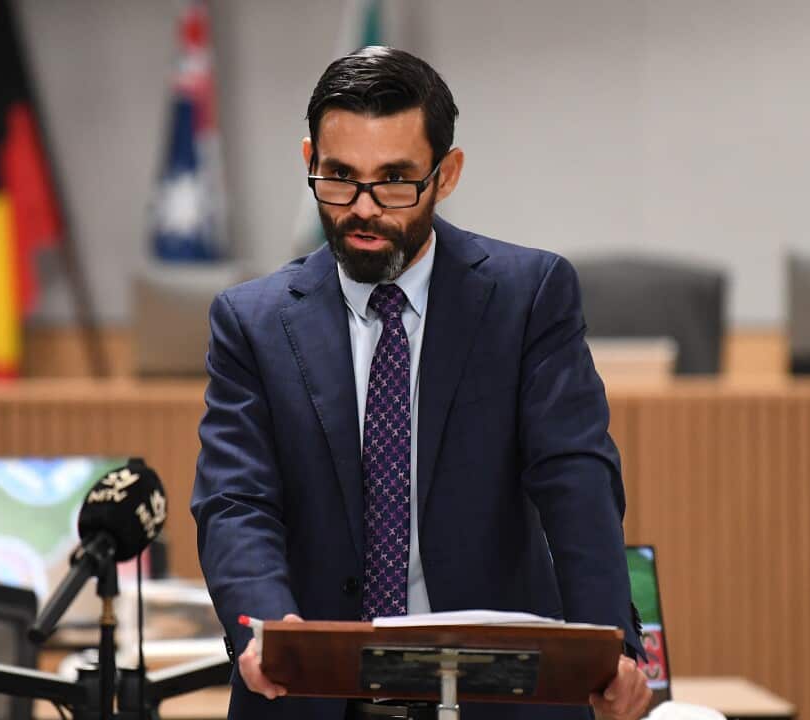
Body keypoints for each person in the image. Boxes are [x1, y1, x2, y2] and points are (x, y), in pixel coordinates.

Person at [191, 46, 650, 720]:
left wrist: (611, 650)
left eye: (396, 180)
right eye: (340, 177)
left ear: (447, 173)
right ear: (309, 162)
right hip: (309, 693)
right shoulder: (251, 322)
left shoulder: (526, 298)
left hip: (497, 694)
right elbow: (236, 500)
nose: (365, 209)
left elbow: (575, 478)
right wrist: (266, 632)